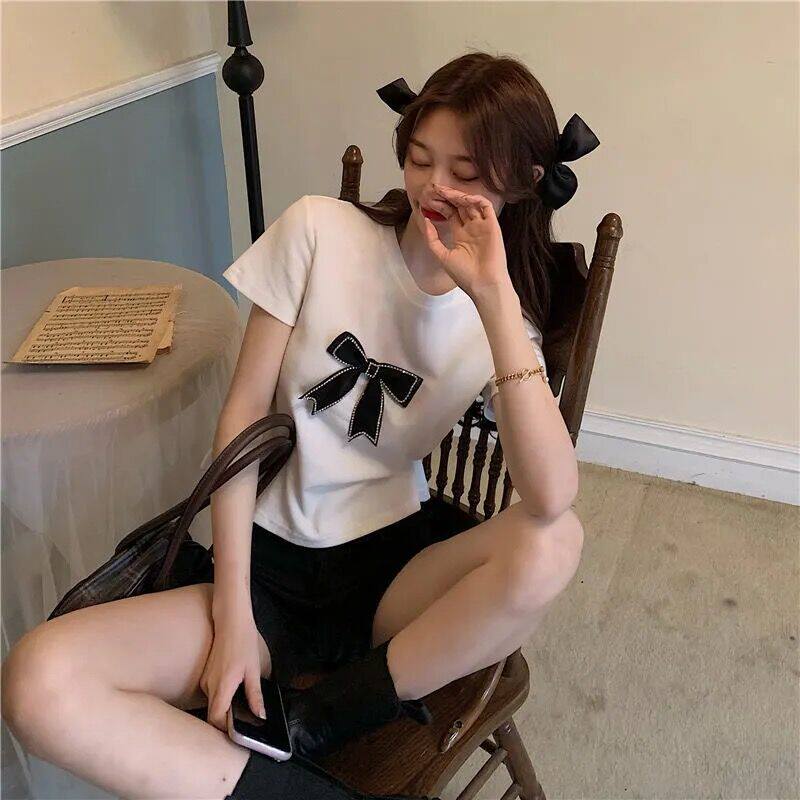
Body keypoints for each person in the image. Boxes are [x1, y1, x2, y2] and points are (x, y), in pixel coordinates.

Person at [1, 50, 594, 800]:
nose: (434, 188)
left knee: (556, 541)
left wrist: (495, 298)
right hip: (265, 559)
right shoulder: (319, 231)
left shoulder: (500, 318)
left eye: (466, 173)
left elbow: (550, 498)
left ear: (520, 181)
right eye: (419, 159)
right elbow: (243, 416)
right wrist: (233, 613)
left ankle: (318, 720)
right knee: (38, 681)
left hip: (392, 574)